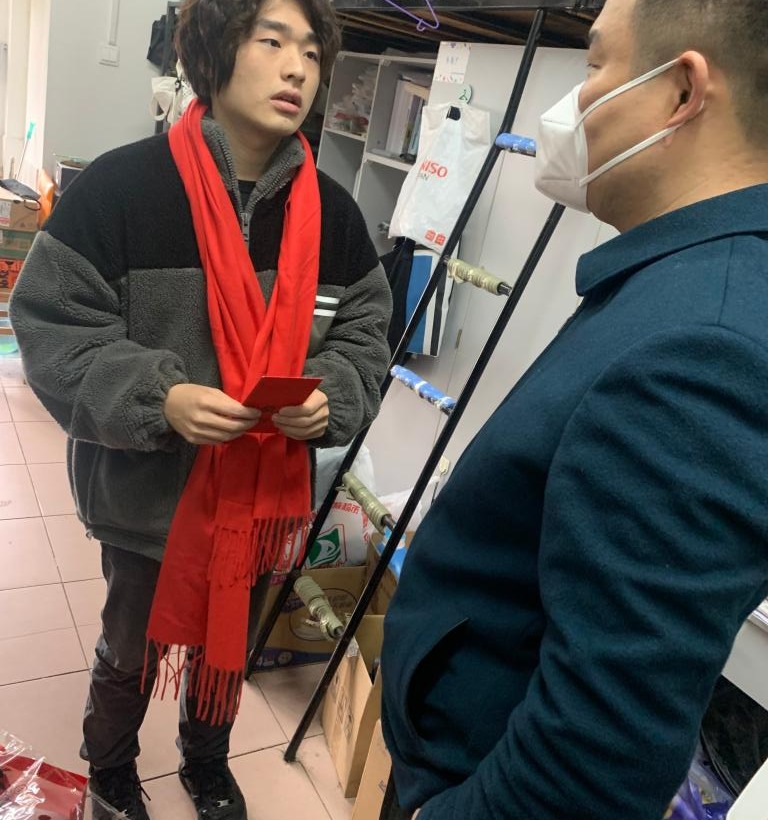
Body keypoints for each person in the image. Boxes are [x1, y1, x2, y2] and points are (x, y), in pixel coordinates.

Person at [379, 0, 768, 817]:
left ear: (682, 92)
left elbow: (594, 764)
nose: (576, 101)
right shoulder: (679, 279)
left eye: (594, 65)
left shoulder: (703, 345)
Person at [9, 0, 392, 819]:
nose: (296, 68)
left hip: (263, 498)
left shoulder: (333, 215)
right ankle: (111, 768)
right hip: (148, 494)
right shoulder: (122, 188)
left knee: (231, 640)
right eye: (272, 41)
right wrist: (161, 396)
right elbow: (51, 323)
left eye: (311, 53)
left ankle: (207, 763)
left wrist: (330, 395)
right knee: (130, 646)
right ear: (216, 53)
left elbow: (366, 333)